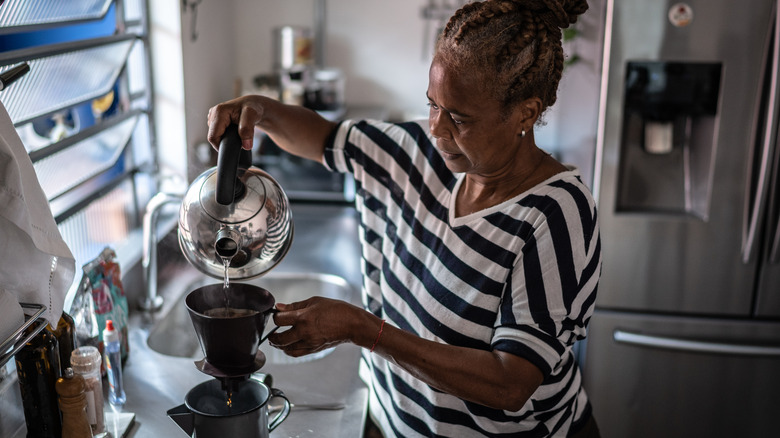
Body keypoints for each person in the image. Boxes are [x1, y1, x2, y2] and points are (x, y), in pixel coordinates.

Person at [206, 1, 600, 436]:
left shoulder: (556, 213)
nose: (437, 128)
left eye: (460, 118)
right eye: (433, 104)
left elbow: (510, 383)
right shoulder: (415, 151)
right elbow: (322, 137)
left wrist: (364, 329)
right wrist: (261, 109)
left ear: (526, 112)